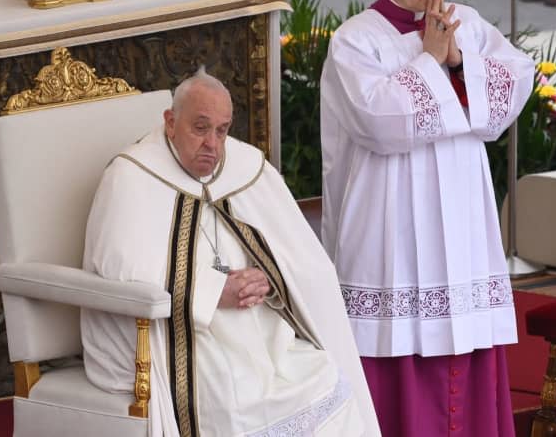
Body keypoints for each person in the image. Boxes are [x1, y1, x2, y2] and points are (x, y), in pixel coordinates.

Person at [320, 0, 534, 437]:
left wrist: (459, 59)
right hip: (388, 232)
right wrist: (431, 62)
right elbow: (381, 123)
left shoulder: (469, 26)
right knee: (393, 353)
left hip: (461, 225)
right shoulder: (355, 42)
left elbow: (515, 83)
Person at [81, 68, 381, 437]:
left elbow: (299, 256)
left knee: (321, 373)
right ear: (170, 122)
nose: (213, 143)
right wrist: (214, 291)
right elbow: (120, 267)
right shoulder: (130, 176)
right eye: (200, 128)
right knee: (236, 399)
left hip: (258, 325)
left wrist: (267, 280)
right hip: (190, 334)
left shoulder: (245, 166)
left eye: (222, 130)